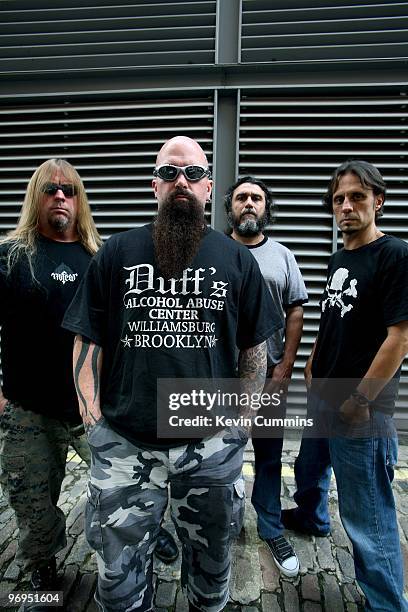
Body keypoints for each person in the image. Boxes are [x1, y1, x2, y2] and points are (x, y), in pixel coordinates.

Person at [62, 135, 280, 612]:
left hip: (210, 450)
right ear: (153, 186)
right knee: (118, 588)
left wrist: (241, 422)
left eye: (193, 174)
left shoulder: (236, 259)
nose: (181, 181)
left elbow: (254, 349)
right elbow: (87, 339)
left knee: (211, 578)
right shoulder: (116, 253)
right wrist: (93, 419)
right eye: (169, 173)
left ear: (207, 188)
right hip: (125, 445)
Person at [281, 160, 408, 611]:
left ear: (378, 201)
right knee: (309, 468)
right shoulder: (340, 258)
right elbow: (335, 316)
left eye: (357, 196)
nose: (347, 206)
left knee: (367, 516)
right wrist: (314, 361)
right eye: (339, 199)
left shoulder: (395, 255)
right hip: (323, 394)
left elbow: (400, 336)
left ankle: (387, 604)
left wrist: (360, 399)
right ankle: (313, 518)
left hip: (361, 406)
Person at [0, 159, 102, 609]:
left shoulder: (100, 258)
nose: (60, 196)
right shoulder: (11, 255)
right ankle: (41, 573)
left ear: (79, 200)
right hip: (28, 411)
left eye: (69, 190)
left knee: (124, 490)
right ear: (35, 196)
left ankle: (128, 562)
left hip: (91, 411)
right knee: (32, 507)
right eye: (50, 189)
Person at [224, 176, 307, 577]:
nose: (249, 204)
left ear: (266, 208)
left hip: (271, 378)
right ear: (230, 208)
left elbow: (295, 310)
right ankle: (221, 523)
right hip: (221, 380)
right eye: (241, 198)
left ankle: (272, 528)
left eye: (257, 198)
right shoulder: (213, 251)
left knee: (270, 457)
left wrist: (285, 367)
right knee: (220, 455)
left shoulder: (282, 256)